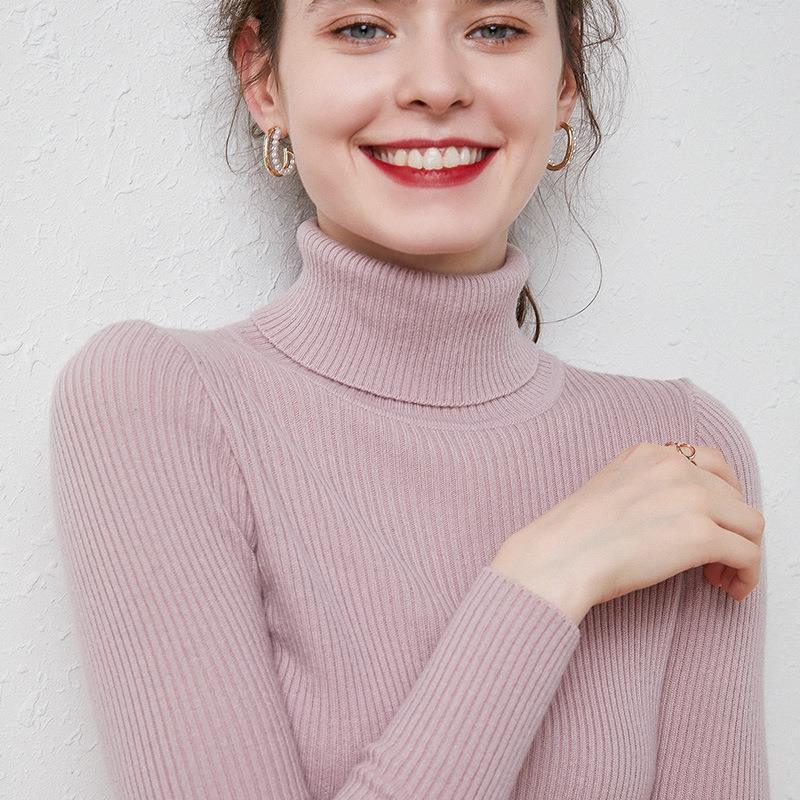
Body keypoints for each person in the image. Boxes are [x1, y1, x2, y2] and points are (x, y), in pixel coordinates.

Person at [48, 0, 769, 798]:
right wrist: (547, 577)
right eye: (362, 27)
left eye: (494, 28)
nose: (436, 85)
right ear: (263, 78)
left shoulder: (676, 456)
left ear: (564, 79)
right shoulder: (161, 401)